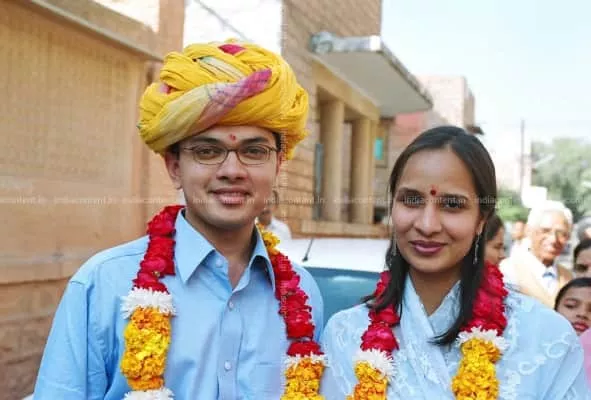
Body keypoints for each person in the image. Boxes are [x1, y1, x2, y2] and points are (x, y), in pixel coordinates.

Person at [33, 39, 324, 399]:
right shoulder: (104, 284)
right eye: (207, 151)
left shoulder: (303, 294)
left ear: (278, 165)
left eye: (254, 151)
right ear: (174, 167)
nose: (232, 170)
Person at [319, 126, 590, 399]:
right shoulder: (346, 334)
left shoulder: (546, 338)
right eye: (411, 200)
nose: (427, 225)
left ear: (481, 220)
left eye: (452, 205)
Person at [500, 202, 574, 308]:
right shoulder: (507, 271)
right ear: (529, 230)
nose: (553, 239)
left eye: (562, 234)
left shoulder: (569, 278)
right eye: (545, 231)